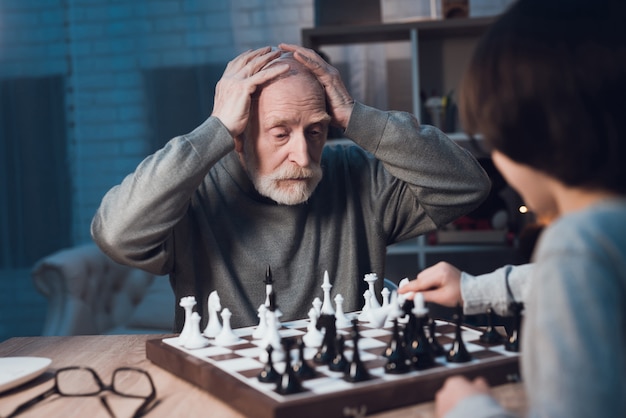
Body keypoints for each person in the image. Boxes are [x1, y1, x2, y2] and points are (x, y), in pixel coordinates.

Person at [91, 44, 490, 330]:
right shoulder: (194, 194)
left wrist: (356, 116)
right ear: (239, 135)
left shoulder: (358, 178)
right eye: (281, 134)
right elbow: (116, 234)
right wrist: (213, 131)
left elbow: (466, 185)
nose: (302, 155)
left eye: (315, 131)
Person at [406, 0, 626, 417]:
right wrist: (471, 290)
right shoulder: (608, 232)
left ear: (531, 137)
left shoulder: (575, 243)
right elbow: (578, 279)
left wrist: (468, 407)